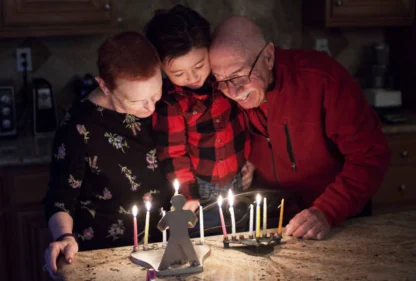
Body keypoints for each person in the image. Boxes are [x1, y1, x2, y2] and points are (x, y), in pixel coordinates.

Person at [209, 17, 391, 240]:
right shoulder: (227, 93)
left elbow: (371, 155)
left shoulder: (321, 78)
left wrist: (327, 210)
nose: (233, 91)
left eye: (239, 76)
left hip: (336, 220)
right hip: (274, 223)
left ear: (268, 56)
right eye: (221, 80)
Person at [43, 32, 172, 279]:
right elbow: (60, 197)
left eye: (155, 94)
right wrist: (63, 237)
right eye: (137, 101)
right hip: (105, 255)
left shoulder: (164, 102)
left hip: (163, 249)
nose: (151, 107)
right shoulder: (79, 126)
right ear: (104, 85)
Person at [144, 5, 255, 221]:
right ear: (161, 69)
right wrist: (188, 194)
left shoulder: (227, 82)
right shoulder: (170, 104)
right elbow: (173, 154)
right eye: (178, 73)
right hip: (200, 190)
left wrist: (251, 160)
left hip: (239, 181)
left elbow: (248, 121)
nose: (193, 77)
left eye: (199, 65)